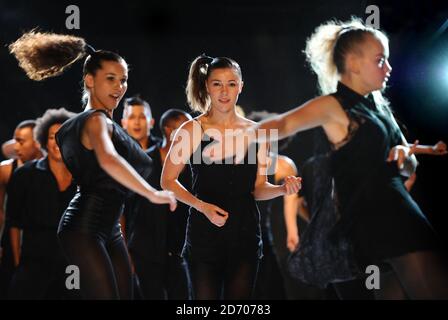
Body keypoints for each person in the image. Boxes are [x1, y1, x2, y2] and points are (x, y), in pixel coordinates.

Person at [209, 19, 448, 299]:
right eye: (380, 60)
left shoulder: (380, 110)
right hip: (387, 219)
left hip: (390, 215)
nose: (389, 68)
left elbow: (409, 167)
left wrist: (404, 158)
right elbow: (283, 124)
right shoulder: (334, 105)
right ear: (354, 64)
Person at [9, 30, 177, 299]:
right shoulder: (95, 121)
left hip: (109, 228)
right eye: (110, 79)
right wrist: (152, 193)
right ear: (89, 80)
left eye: (123, 80)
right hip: (84, 228)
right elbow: (108, 159)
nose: (119, 87)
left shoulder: (91, 122)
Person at [161, 55, 301, 300]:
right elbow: (167, 181)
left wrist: (281, 190)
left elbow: (258, 188)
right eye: (217, 84)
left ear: (241, 86)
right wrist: (202, 207)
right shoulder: (192, 129)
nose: (224, 92)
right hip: (203, 237)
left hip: (245, 236)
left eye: (231, 84)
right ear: (207, 86)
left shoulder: (259, 132)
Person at [7, 108, 77, 299]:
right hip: (33, 262)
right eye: (54, 137)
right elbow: (13, 223)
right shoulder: (24, 175)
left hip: (72, 265)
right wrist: (18, 262)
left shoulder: (84, 177)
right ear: (45, 140)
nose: (59, 142)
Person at [124, 108, 193, 299]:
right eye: (187, 128)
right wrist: (124, 251)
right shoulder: (143, 161)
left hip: (177, 251)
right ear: (171, 131)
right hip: (144, 251)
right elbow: (124, 208)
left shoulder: (192, 165)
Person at [0, 120, 43, 299]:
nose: (17, 146)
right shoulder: (5, 170)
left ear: (36, 143)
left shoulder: (52, 168)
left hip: (41, 239)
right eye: (15, 141)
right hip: (12, 235)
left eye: (21, 141)